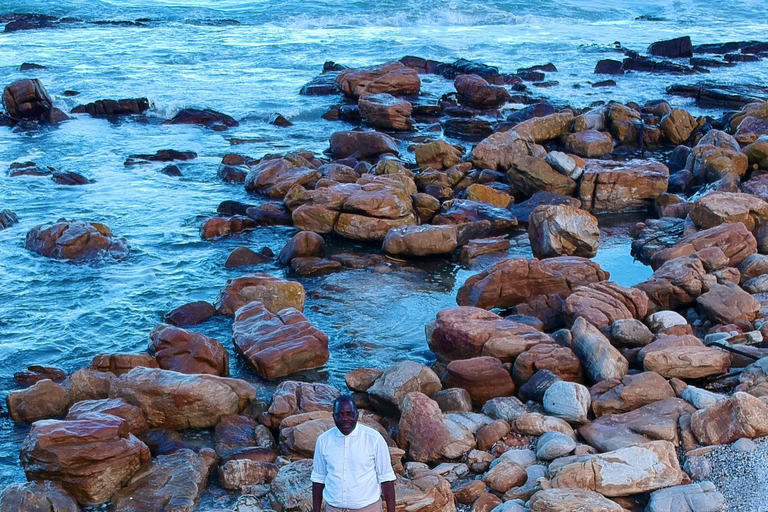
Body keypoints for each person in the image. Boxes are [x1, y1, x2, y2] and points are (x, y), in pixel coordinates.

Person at [311, 395, 396, 512]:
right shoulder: (323, 440)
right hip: (333, 509)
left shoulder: (374, 439)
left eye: (349, 414)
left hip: (368, 509)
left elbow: (386, 479)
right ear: (333, 417)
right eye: (339, 415)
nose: (345, 418)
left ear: (357, 414)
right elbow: (318, 479)